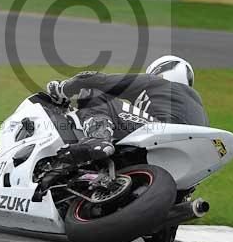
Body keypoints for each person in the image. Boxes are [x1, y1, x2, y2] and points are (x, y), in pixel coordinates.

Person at [45, 55, 208, 165]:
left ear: (158, 72)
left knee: (95, 93)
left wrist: (61, 89)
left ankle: (98, 139)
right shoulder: (199, 106)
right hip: (189, 157)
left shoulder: (154, 82)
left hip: (162, 131)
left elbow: (96, 80)